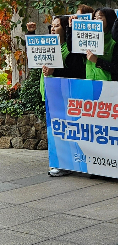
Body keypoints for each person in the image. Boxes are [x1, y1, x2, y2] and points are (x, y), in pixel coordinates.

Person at [38, 16, 86, 177]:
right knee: (53, 131)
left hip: (63, 95)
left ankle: (64, 163)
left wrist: (55, 71)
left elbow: (74, 71)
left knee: (63, 130)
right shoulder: (50, 46)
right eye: (52, 26)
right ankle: (60, 162)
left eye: (57, 26)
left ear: (65, 29)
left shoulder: (69, 49)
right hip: (49, 93)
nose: (53, 29)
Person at [82, 8, 118, 81]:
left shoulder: (116, 41)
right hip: (90, 80)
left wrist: (97, 61)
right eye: (94, 18)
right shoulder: (89, 38)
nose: (96, 21)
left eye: (99, 18)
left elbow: (117, 68)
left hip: (108, 84)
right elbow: (73, 50)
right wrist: (70, 28)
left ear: (109, 19)